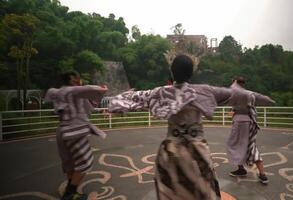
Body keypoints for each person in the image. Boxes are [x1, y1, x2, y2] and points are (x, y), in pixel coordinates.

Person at [108, 54, 257, 200]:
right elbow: (238, 94)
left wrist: (113, 105)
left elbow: (129, 99)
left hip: (170, 153)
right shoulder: (204, 91)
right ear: (192, 72)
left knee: (172, 192)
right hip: (197, 153)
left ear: (172, 72)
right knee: (203, 191)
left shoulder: (161, 92)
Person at [45, 71, 107, 200]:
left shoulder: (56, 92)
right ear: (72, 80)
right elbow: (94, 90)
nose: (79, 80)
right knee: (85, 161)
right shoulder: (72, 91)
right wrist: (103, 89)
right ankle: (70, 193)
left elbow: (88, 106)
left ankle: (71, 189)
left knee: (70, 162)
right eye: (77, 79)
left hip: (62, 130)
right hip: (75, 131)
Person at [226, 76, 275, 184]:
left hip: (239, 122)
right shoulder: (250, 93)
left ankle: (248, 171)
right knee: (248, 145)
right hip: (249, 121)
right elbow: (265, 99)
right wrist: (272, 101)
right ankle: (258, 173)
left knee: (237, 145)